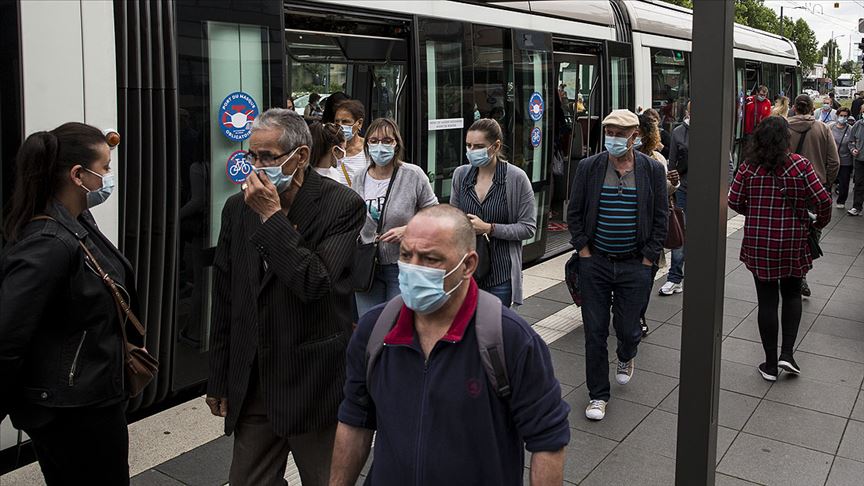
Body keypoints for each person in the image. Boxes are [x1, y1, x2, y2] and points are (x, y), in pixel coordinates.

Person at [330, 204, 570, 485]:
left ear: (468, 265)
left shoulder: (510, 339)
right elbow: (355, 419)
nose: (412, 268)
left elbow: (548, 440)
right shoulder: (374, 329)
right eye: (406, 255)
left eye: (430, 259)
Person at [206, 108, 365, 486]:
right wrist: (219, 377)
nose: (258, 167)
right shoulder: (235, 208)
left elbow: (314, 282)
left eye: (268, 157)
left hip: (313, 384)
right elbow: (228, 296)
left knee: (326, 480)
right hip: (256, 382)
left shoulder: (341, 205)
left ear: (301, 157)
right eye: (252, 156)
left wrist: (272, 218)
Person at [0, 123, 137, 484]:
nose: (108, 177)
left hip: (89, 398)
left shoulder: (78, 223)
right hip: (73, 410)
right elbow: (8, 338)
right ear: (79, 175)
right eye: (105, 168)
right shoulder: (48, 243)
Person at [567, 109, 668, 421]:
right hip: (595, 262)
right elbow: (575, 212)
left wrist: (648, 258)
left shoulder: (651, 170)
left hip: (634, 265)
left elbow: (661, 217)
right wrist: (583, 250)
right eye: (609, 132)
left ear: (634, 136)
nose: (612, 138)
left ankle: (626, 354)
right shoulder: (589, 167)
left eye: (619, 134)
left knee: (627, 327)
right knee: (594, 331)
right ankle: (598, 394)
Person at [728, 116, 831, 381]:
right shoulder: (800, 165)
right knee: (792, 294)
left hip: (759, 242)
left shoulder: (749, 167)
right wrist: (818, 222)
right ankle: (788, 354)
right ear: (786, 138)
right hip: (793, 241)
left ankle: (770, 364)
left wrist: (754, 213)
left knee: (767, 301)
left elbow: (735, 200)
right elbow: (823, 200)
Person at [352, 118, 438, 317]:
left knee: (397, 324)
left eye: (386, 140)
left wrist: (409, 230)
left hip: (402, 265)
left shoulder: (413, 175)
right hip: (367, 266)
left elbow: (435, 214)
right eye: (373, 141)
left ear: (396, 143)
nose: (379, 146)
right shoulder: (359, 177)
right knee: (370, 325)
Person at [449, 119, 537, 308]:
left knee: (494, 332)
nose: (472, 151)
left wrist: (489, 228)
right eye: (468, 145)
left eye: (479, 146)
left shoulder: (515, 178)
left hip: (500, 275)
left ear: (496, 146)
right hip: (465, 273)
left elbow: (528, 228)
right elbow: (453, 219)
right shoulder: (461, 175)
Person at [788, 94, 839, 296]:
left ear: (794, 108)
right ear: (812, 108)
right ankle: (802, 273)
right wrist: (826, 182)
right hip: (815, 190)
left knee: (789, 228)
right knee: (812, 231)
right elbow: (834, 162)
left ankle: (787, 269)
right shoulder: (823, 129)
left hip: (788, 189)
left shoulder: (783, 128)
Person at [635, 114, 680, 335]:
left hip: (648, 235)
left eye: (636, 133)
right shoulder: (606, 161)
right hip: (620, 236)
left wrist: (673, 184)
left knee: (644, 280)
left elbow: (663, 197)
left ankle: (638, 315)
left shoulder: (657, 161)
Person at [659, 102, 690, 296]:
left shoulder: (713, 129)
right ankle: (674, 277)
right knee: (681, 234)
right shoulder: (679, 132)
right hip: (684, 191)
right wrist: (673, 186)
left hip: (707, 193)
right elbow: (671, 164)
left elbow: (727, 164)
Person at [334, 99, 367, 186]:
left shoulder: (369, 150)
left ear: (359, 123)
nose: (340, 126)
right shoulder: (330, 149)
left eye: (345, 122)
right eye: (337, 122)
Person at [832, 107, 854, 209]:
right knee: (829, 181)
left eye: (845, 116)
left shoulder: (850, 129)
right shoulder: (830, 127)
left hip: (845, 160)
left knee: (844, 182)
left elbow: (853, 143)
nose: (843, 118)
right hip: (832, 160)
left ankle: (841, 201)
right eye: (841, 115)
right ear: (837, 115)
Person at [848, 112, 864, 214]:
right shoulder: (858, 125)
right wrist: (853, 149)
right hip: (860, 160)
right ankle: (857, 207)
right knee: (859, 183)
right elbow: (851, 140)